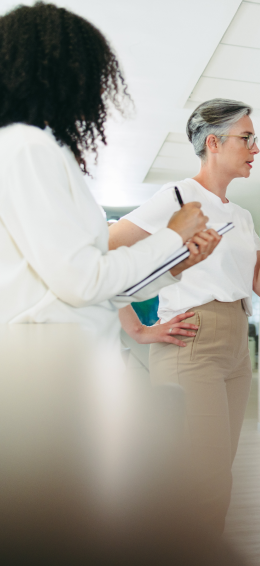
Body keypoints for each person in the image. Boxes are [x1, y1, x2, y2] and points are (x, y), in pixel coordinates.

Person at [108, 98, 260, 535]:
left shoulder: (241, 216)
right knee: (202, 483)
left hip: (236, 347)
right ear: (214, 143)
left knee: (215, 477)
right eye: (247, 138)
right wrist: (138, 330)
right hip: (192, 341)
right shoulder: (177, 197)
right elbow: (105, 253)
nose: (255, 148)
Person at [0, 2, 218, 346]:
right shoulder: (27, 146)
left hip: (68, 355)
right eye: (89, 71)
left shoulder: (40, 149)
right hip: (45, 361)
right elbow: (84, 283)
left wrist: (174, 264)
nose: (99, 87)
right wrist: (172, 235)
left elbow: (97, 290)